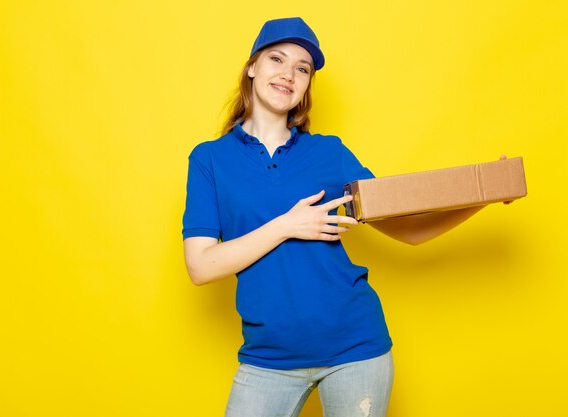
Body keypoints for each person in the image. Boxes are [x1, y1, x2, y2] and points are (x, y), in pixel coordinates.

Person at [182, 17, 490, 417]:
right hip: (267, 359)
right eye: (277, 59)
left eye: (302, 68)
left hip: (355, 350)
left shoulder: (329, 153)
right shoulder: (210, 159)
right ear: (252, 67)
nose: (288, 74)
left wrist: (483, 196)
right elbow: (201, 265)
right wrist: (287, 225)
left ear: (308, 84)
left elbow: (409, 230)